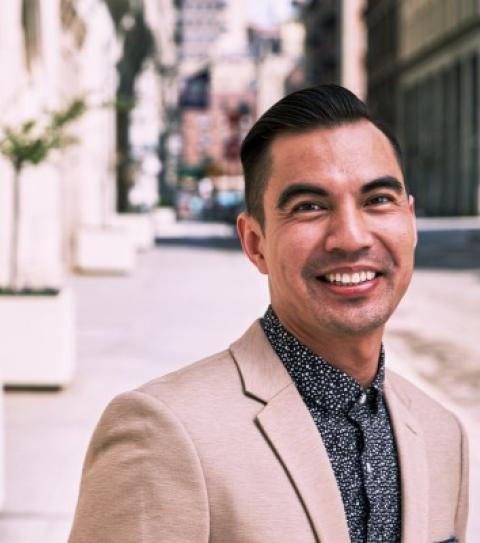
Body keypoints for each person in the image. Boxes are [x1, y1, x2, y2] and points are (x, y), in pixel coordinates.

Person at [68, 85, 469, 543]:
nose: (351, 237)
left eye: (378, 199)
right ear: (255, 243)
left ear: (410, 222)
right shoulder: (162, 431)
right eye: (310, 207)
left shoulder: (444, 437)